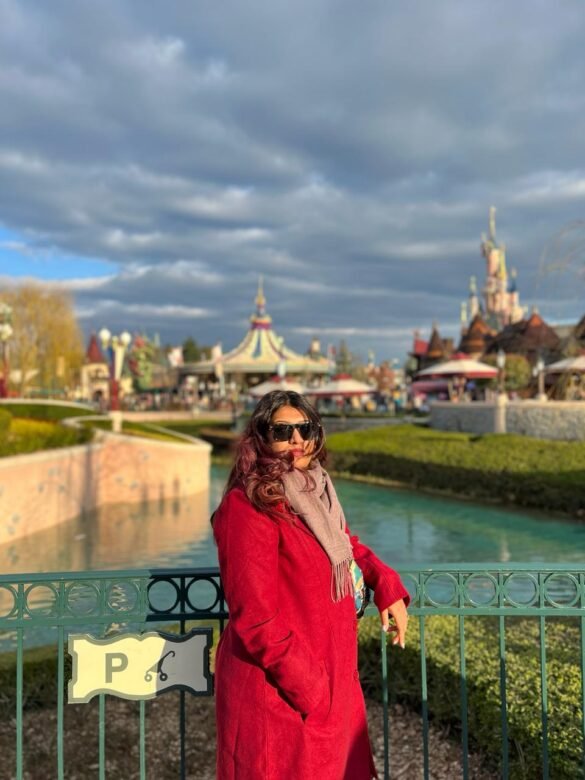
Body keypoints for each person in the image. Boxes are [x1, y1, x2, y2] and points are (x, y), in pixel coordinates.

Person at [212, 390, 409, 779]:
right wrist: (314, 690)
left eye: (306, 428)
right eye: (283, 431)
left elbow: (345, 546)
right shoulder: (248, 504)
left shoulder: (315, 491)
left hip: (328, 684)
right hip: (280, 696)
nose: (297, 439)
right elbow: (255, 619)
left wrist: (384, 581)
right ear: (261, 437)